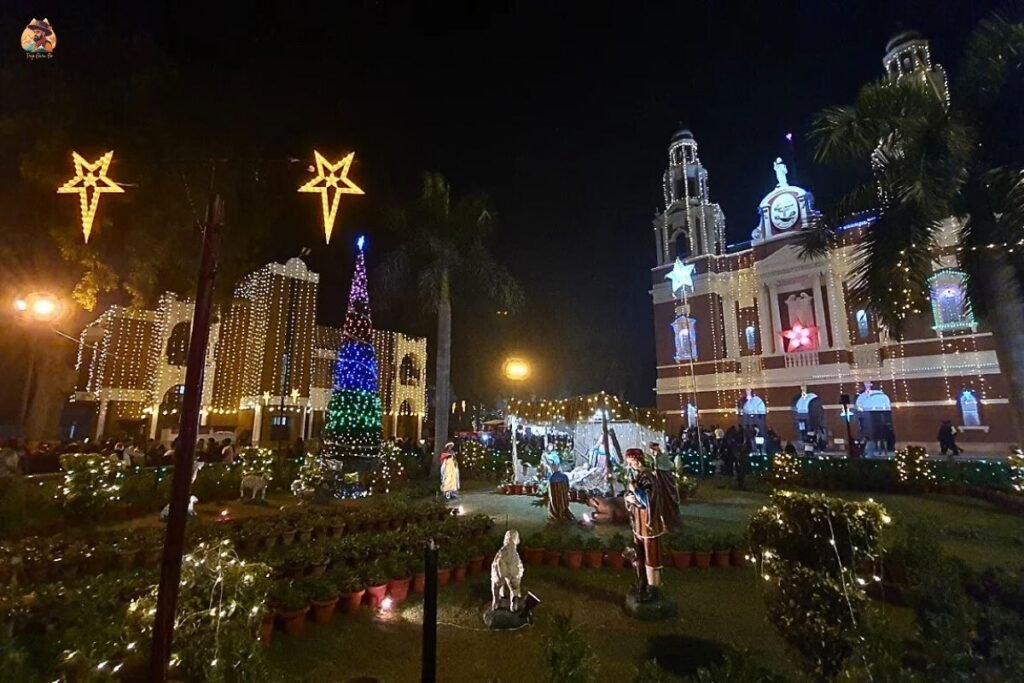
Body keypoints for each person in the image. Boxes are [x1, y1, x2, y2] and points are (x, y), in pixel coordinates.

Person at [624, 448, 666, 602]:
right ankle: (642, 584)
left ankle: (652, 589)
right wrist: (628, 497)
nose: (629, 466)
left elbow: (648, 500)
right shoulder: (637, 475)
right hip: (639, 524)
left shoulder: (648, 476)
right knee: (639, 555)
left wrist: (634, 490)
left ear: (638, 460)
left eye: (631, 462)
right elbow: (632, 495)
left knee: (651, 557)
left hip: (649, 525)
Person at [649, 442, 681, 531]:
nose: (651, 451)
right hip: (660, 488)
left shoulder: (662, 458)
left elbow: (664, 470)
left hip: (665, 488)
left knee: (667, 504)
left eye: (652, 449)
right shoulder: (656, 458)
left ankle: (670, 523)